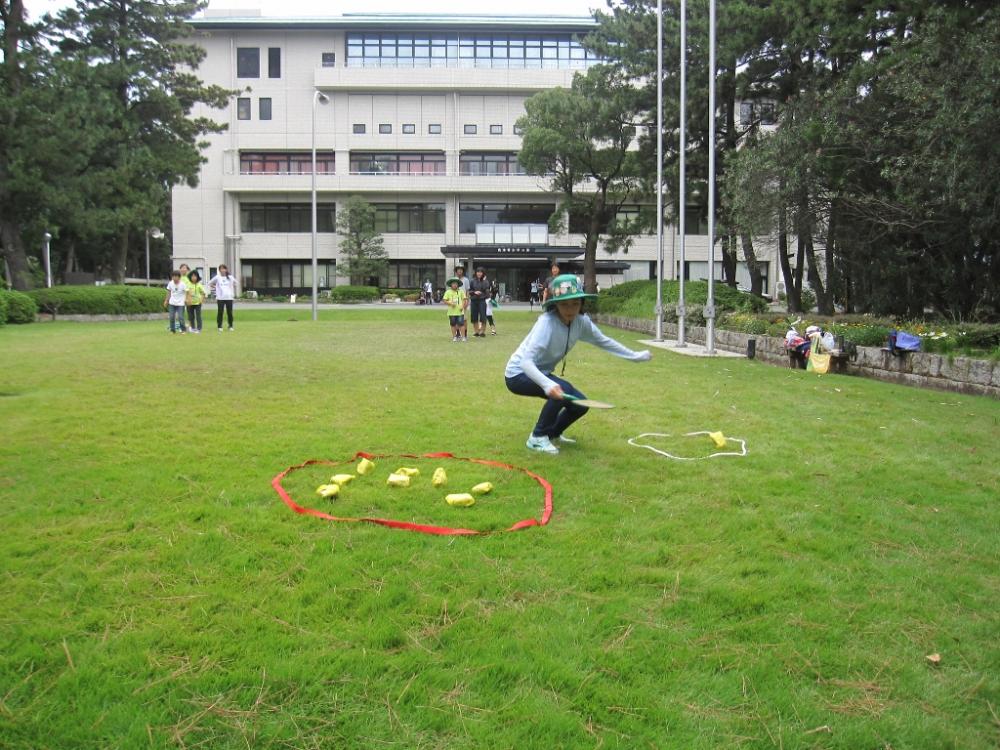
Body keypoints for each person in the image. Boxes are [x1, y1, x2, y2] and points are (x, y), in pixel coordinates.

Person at [505, 274, 651, 454]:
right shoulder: (546, 323)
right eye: (564, 304)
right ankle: (537, 437)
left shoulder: (581, 323)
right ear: (555, 304)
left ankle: (552, 434)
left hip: (542, 373)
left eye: (575, 303)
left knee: (580, 404)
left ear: (581, 303)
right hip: (518, 374)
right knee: (562, 391)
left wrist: (634, 356)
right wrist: (548, 384)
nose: (570, 309)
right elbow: (526, 362)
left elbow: (604, 341)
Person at [209, 264, 237, 332]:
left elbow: (236, 283)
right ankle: (219, 326)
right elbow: (210, 283)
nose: (223, 270)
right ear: (219, 270)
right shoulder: (217, 277)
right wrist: (216, 287)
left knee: (229, 312)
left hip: (229, 298)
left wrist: (231, 287)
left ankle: (230, 326)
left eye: (224, 269)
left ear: (226, 269)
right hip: (220, 298)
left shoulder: (230, 277)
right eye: (221, 269)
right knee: (220, 312)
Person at [441, 276, 468, 342]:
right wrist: (450, 303)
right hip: (451, 312)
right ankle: (454, 337)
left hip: (460, 311)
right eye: (453, 283)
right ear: (451, 285)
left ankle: (463, 337)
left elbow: (464, 300)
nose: (454, 285)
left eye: (456, 283)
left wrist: (463, 306)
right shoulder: (448, 292)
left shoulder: (461, 291)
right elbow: (444, 300)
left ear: (458, 284)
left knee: (461, 324)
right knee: (453, 324)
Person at [468, 266, 491, 337]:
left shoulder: (486, 281)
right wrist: (475, 292)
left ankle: (482, 332)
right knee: (474, 316)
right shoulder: (472, 281)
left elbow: (486, 291)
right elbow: (469, 291)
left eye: (481, 272)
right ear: (476, 273)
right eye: (478, 272)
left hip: (482, 300)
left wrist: (483, 281)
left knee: (483, 316)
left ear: (483, 273)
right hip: (474, 300)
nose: (479, 273)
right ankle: (476, 331)